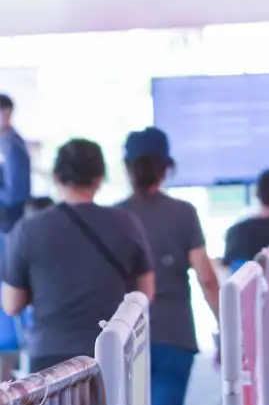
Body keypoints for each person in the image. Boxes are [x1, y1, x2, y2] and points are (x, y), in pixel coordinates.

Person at [118, 127, 222, 405]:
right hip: (176, 336)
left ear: (127, 167)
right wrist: (224, 326)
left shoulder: (115, 216)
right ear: (167, 166)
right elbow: (206, 276)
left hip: (125, 339)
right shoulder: (184, 213)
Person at [1, 139, 154, 373]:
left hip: (50, 359)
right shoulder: (126, 224)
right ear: (99, 178)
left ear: (56, 176)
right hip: (111, 353)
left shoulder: (28, 229)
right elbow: (146, 293)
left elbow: (11, 305)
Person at [0, 95, 29, 233]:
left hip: (8, 217)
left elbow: (15, 193)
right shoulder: (4, 142)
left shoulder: (13, 145)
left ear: (6, 113)